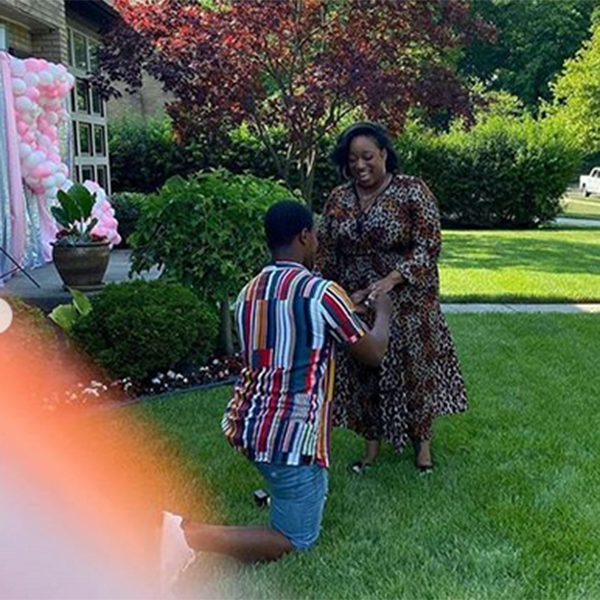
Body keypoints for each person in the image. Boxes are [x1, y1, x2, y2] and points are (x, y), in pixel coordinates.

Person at [160, 200, 392, 593]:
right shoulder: (322, 293)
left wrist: (349, 304)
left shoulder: (248, 293)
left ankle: (279, 490)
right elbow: (373, 353)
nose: (316, 239)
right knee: (298, 540)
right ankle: (185, 534)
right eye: (314, 233)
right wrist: (383, 311)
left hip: (246, 424)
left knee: (303, 486)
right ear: (305, 236)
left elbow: (295, 324)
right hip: (289, 438)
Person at [316, 121, 468, 474]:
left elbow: (429, 245)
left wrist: (390, 280)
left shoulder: (412, 191)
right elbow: (325, 252)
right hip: (358, 301)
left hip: (411, 300)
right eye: (352, 159)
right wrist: (336, 293)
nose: (360, 165)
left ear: (384, 153)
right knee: (365, 371)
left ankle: (423, 450)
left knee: (414, 371)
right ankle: (370, 448)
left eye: (367, 156)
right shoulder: (339, 197)